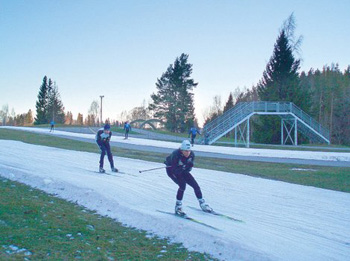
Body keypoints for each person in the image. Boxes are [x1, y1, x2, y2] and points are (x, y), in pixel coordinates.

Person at [164, 140, 212, 216]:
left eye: (189, 151)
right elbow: (174, 170)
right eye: (186, 151)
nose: (188, 153)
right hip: (172, 171)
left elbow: (189, 168)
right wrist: (183, 166)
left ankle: (202, 203)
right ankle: (178, 206)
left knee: (196, 186)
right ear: (182, 150)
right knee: (182, 186)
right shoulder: (176, 154)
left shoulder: (192, 155)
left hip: (182, 170)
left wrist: (188, 167)